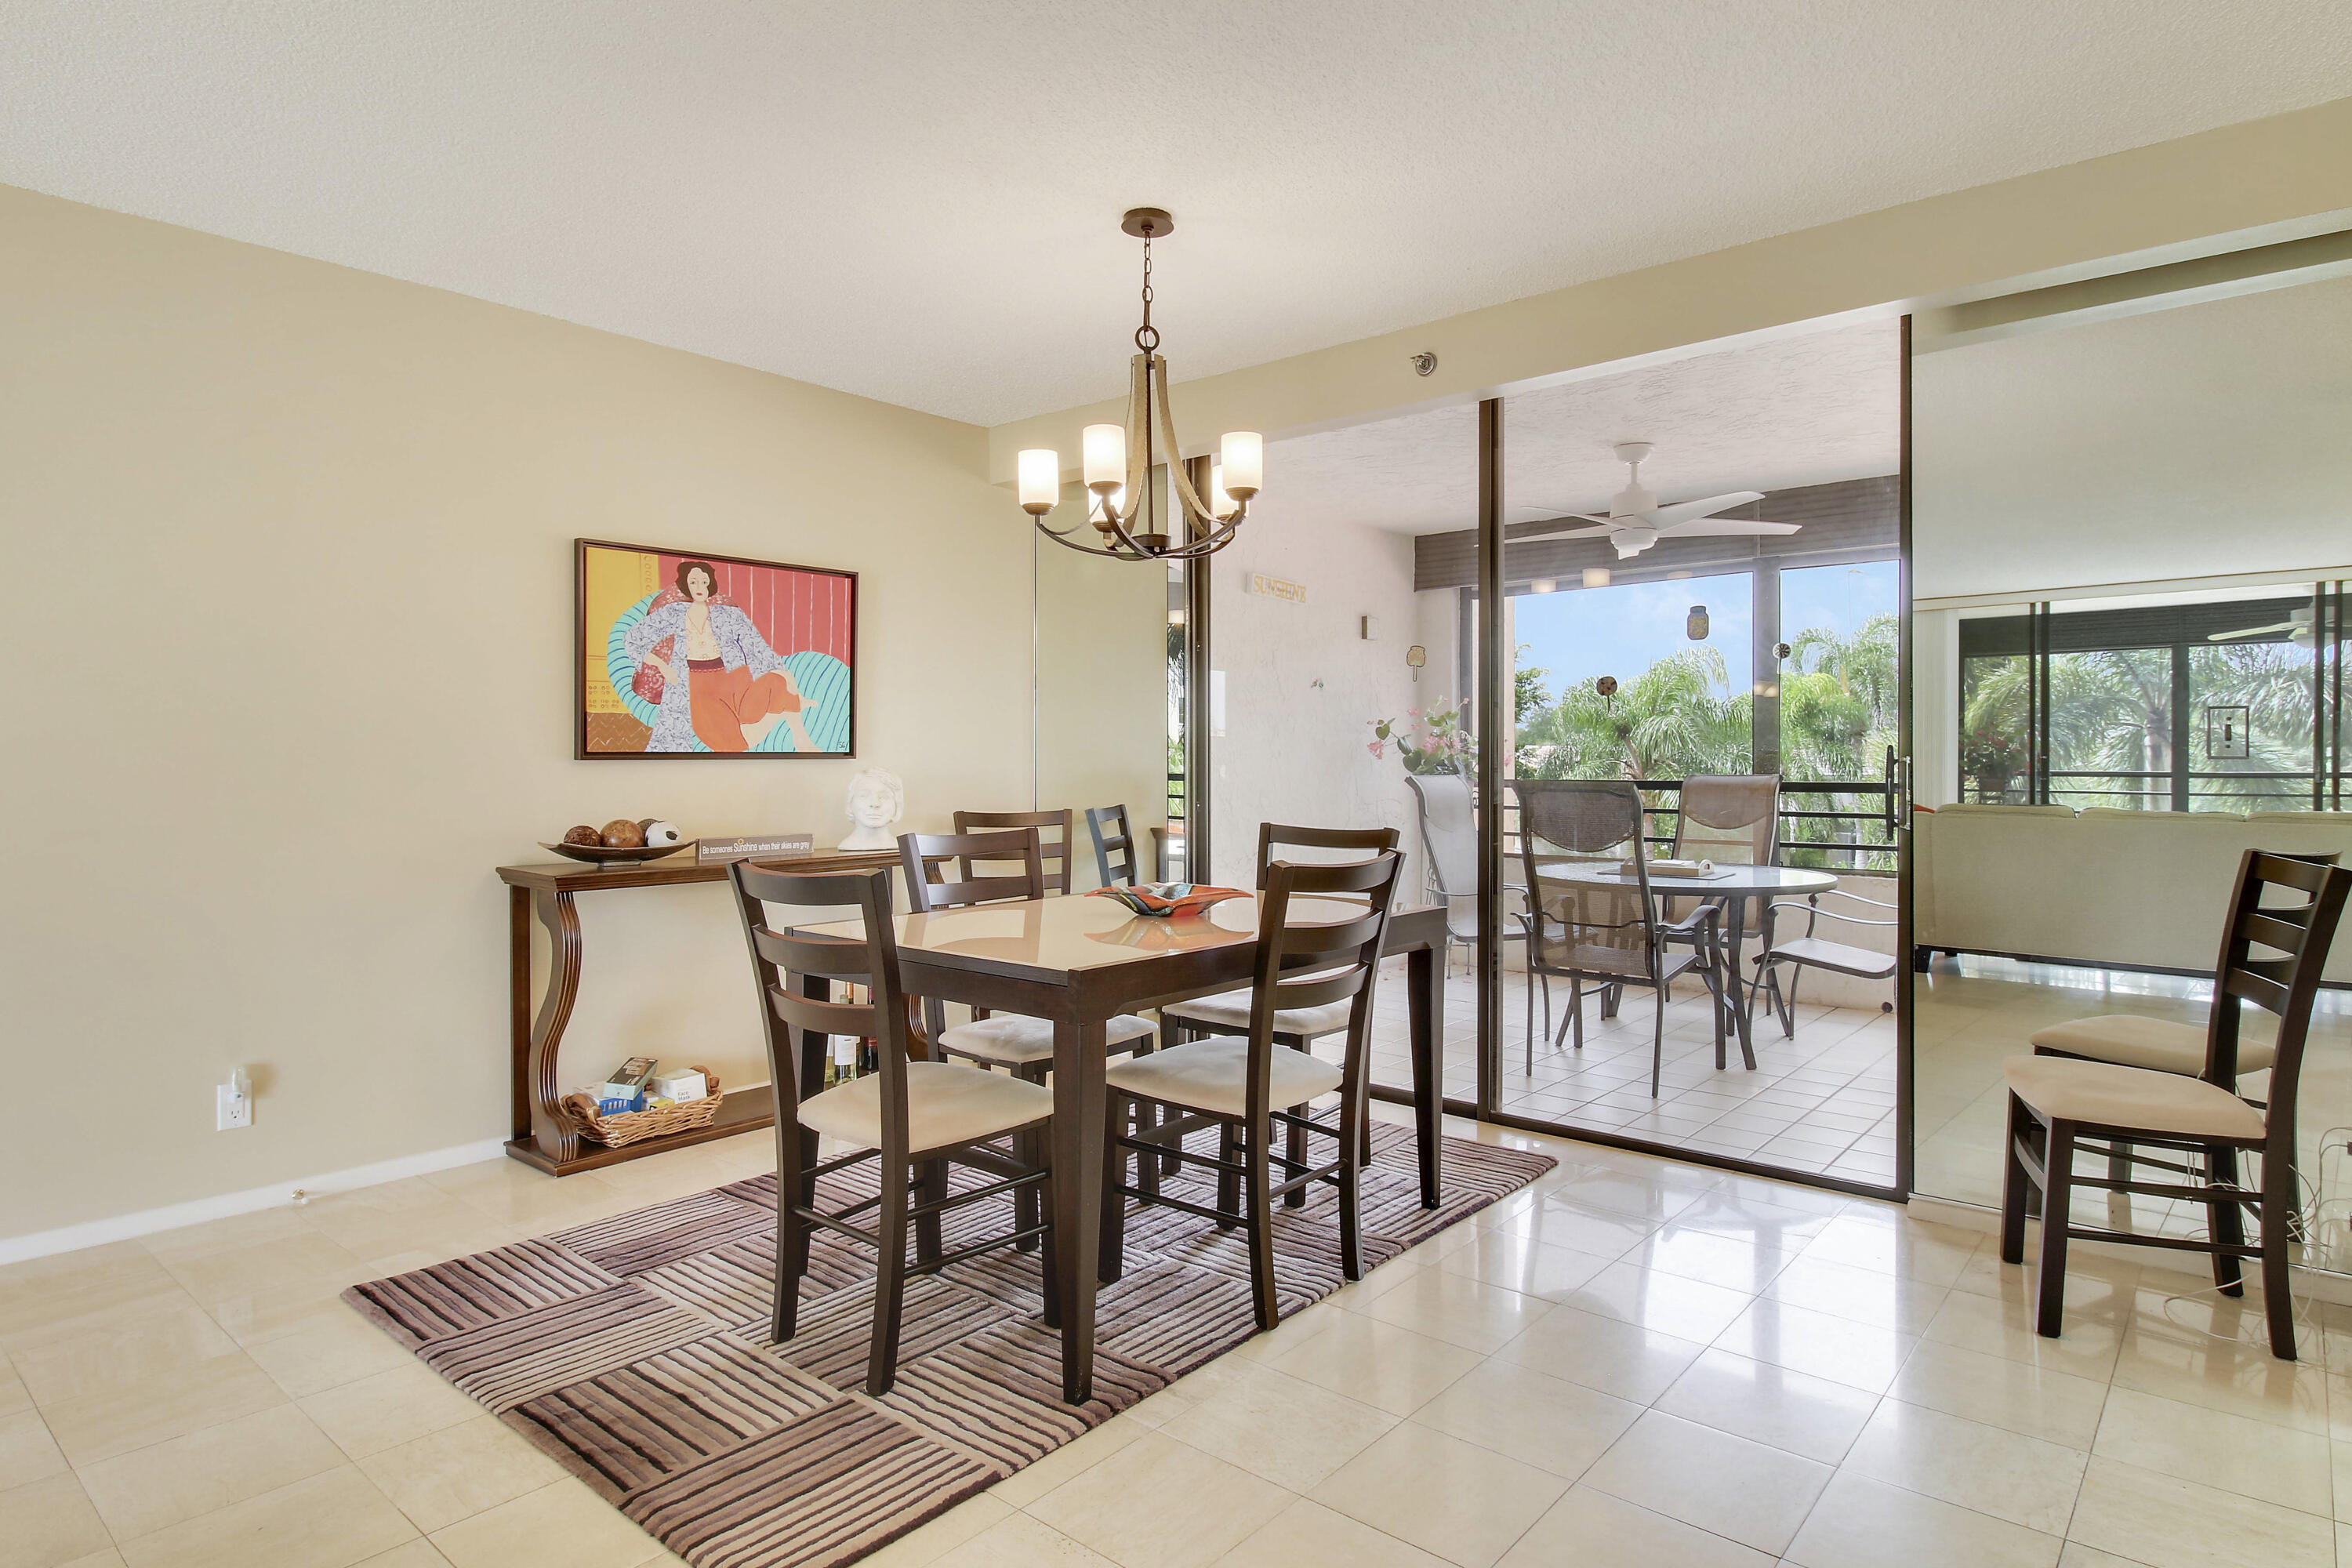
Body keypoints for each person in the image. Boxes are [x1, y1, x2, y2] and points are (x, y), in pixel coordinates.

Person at [622, 561, 817, 753]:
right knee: (727, 745)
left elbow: (757, 646)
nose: (700, 587)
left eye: (704, 582)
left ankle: (801, 737)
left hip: (735, 678)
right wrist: (663, 667)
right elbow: (633, 639)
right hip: (697, 685)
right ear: (685, 585)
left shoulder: (728, 614)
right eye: (693, 582)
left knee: (779, 681)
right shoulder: (673, 613)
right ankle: (786, 710)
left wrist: (792, 686)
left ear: (711, 584)